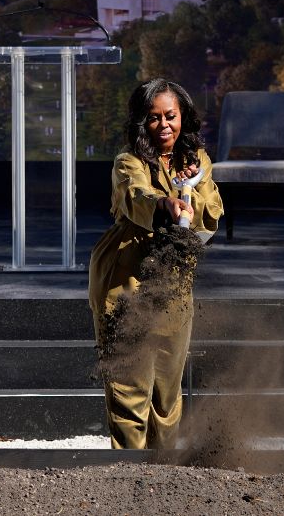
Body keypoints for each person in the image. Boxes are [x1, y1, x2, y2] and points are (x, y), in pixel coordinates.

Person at [88, 78, 223, 450]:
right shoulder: (128, 160)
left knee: (167, 397)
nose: (164, 125)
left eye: (171, 116)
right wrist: (163, 204)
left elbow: (210, 217)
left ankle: (165, 482)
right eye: (153, 118)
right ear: (141, 122)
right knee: (130, 395)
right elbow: (135, 196)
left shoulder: (197, 162)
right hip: (125, 281)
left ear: (184, 118)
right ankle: (127, 481)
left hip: (173, 284)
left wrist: (189, 188)